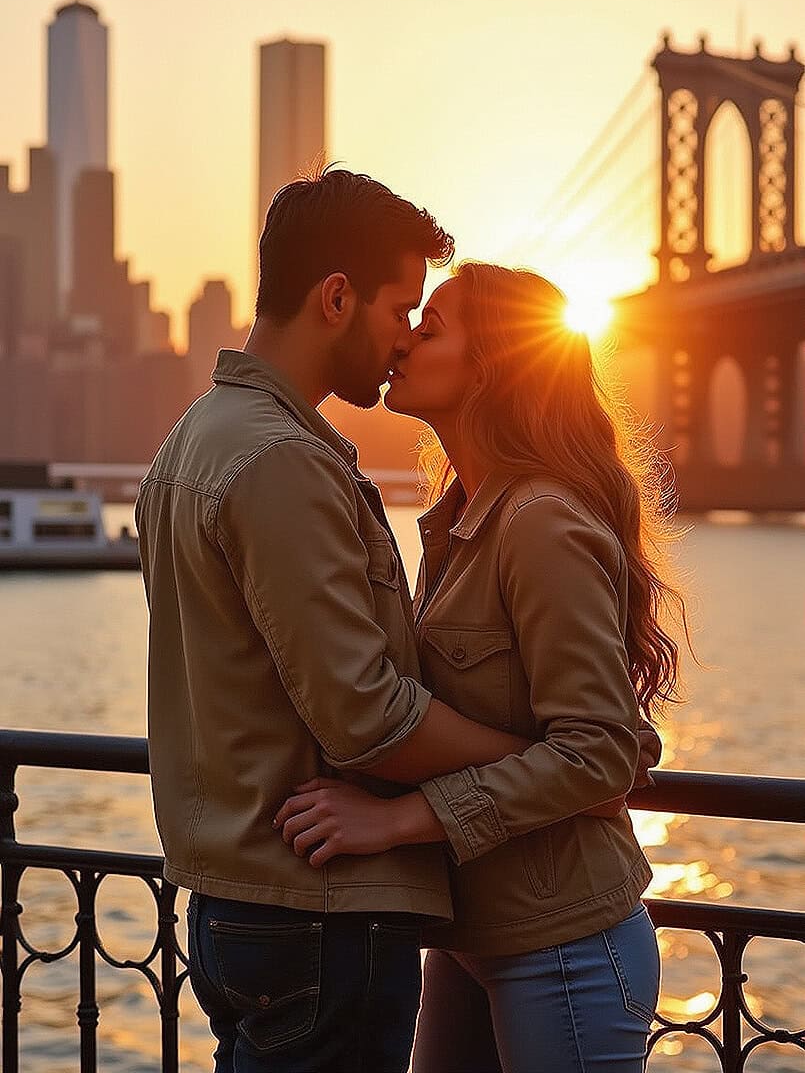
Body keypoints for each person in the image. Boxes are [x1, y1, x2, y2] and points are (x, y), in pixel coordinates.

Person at [136, 174, 543, 1073]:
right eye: (400, 307)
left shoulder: (189, 443)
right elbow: (366, 716)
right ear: (334, 298)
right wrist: (532, 754)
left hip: (233, 900)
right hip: (318, 909)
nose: (407, 334)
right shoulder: (281, 460)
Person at [275, 261, 685, 1072]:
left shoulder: (538, 525)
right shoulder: (459, 523)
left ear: (488, 365)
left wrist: (394, 819)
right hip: (472, 938)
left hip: (564, 948)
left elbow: (600, 753)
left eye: (430, 329)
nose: (404, 340)